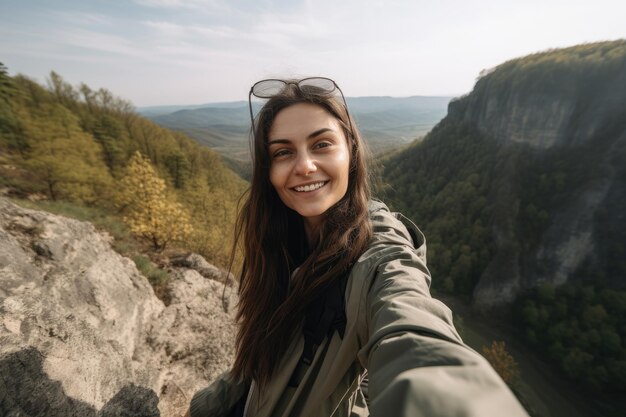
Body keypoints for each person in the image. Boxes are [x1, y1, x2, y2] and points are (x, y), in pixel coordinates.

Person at [185, 77, 529, 417]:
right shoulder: (280, 241)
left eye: (321, 144)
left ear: (351, 149)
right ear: (269, 170)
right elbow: (261, 363)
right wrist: (206, 407)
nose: (304, 166)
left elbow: (411, 328)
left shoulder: (376, 249)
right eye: (283, 152)